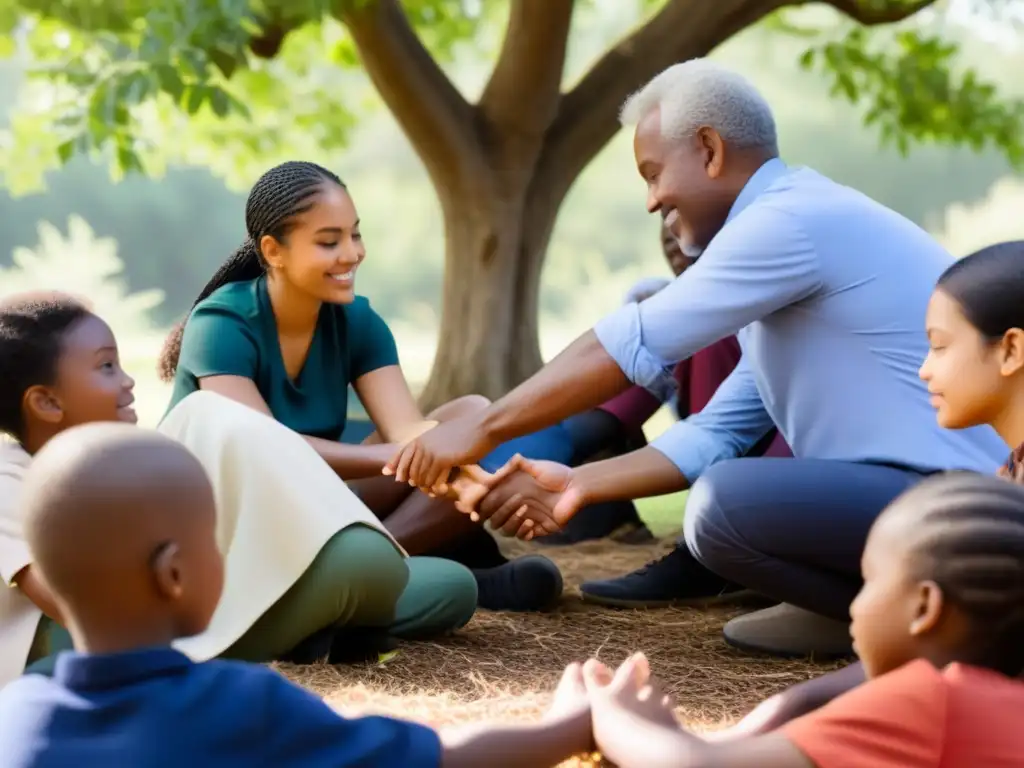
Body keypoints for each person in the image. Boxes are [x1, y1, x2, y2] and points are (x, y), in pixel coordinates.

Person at [383, 59, 1008, 657]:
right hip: (915, 498)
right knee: (723, 515)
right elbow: (716, 432)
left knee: (722, 507)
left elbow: (634, 339)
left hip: (962, 508)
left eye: (654, 173)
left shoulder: (788, 221)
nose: (652, 200)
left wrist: (483, 427)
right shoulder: (790, 246)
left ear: (709, 150)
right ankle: (867, 611)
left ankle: (928, 621)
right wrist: (576, 483)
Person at [0, 424, 595, 767]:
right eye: (216, 535)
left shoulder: (17, 717)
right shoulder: (242, 707)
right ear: (175, 575)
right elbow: (444, 760)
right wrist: (572, 726)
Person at [0, 293, 480, 688]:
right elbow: (73, 608)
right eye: (106, 368)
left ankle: (303, 627)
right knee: (361, 566)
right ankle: (296, 630)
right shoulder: (10, 478)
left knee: (449, 586)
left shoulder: (130, 457)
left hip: (187, 610)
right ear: (46, 401)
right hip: (92, 642)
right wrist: (205, 602)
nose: (127, 382)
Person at [157, 160, 562, 613]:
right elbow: (263, 450)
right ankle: (387, 571)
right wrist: (398, 458)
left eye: (355, 234)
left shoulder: (358, 322)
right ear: (272, 250)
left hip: (314, 499)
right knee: (437, 459)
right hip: (230, 518)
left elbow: (407, 433)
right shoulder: (221, 323)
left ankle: (387, 559)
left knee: (468, 417)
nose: (351, 254)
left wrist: (477, 484)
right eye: (329, 241)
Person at [707, 239, 1024, 738]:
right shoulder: (1010, 477)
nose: (925, 368)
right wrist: (796, 703)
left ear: (1009, 350)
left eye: (940, 346)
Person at [580, 472, 1024, 767]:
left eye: (869, 581)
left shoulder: (929, 704)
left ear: (925, 608)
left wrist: (611, 713)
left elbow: (691, 766)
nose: (854, 603)